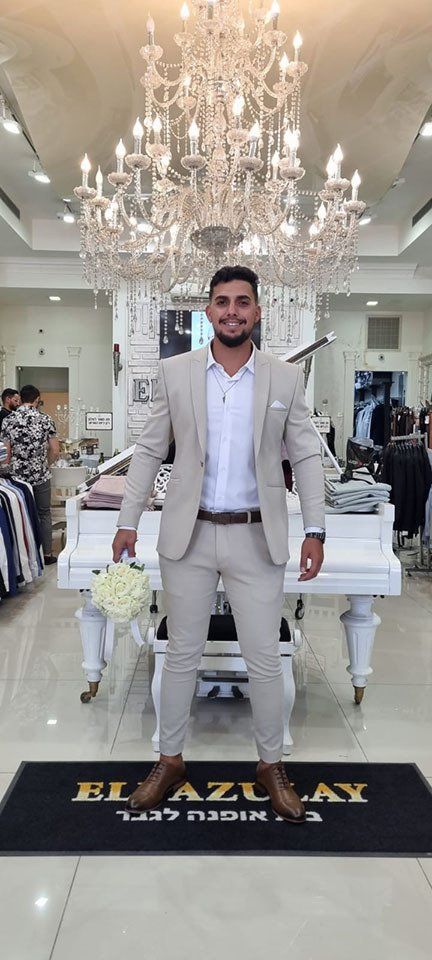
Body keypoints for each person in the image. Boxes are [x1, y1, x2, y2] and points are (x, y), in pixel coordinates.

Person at [112, 265, 326, 823]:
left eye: (243, 302)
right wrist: (128, 520)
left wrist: (316, 528)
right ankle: (169, 760)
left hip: (257, 536)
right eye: (223, 301)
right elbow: (148, 449)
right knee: (181, 654)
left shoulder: (284, 378)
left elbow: (305, 455)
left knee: (264, 657)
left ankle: (271, 765)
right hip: (189, 535)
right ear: (208, 311)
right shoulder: (176, 371)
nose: (233, 311)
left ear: (257, 311)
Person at [1, 383, 60, 565]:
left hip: (17, 477)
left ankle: (26, 557)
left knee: (21, 513)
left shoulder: (8, 420)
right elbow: (55, 450)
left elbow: (6, 453)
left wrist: (7, 469)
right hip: (40, 475)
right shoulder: (46, 419)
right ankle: (47, 554)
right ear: (36, 399)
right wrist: (46, 464)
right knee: (44, 513)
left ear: (20, 398)